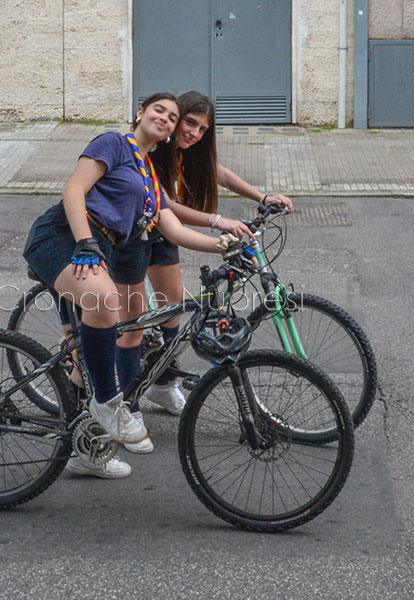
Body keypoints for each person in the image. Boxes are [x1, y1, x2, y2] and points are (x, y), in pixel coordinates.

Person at [22, 92, 239, 479]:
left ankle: (84, 450)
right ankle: (109, 403)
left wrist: (226, 245)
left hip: (97, 246)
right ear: (140, 112)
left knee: (88, 354)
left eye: (173, 118)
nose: (167, 120)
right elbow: (73, 190)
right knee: (108, 302)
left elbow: (172, 228)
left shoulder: (150, 176)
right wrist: (86, 241)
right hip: (63, 236)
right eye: (160, 110)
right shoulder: (113, 144)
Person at [110, 91, 294, 455]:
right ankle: (125, 407)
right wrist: (218, 222)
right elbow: (167, 205)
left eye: (201, 129)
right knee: (132, 326)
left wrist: (261, 196)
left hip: (161, 232)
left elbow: (217, 172)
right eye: (189, 123)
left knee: (173, 308)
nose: (193, 132)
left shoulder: (183, 149)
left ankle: (161, 381)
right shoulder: (153, 147)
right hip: (132, 235)